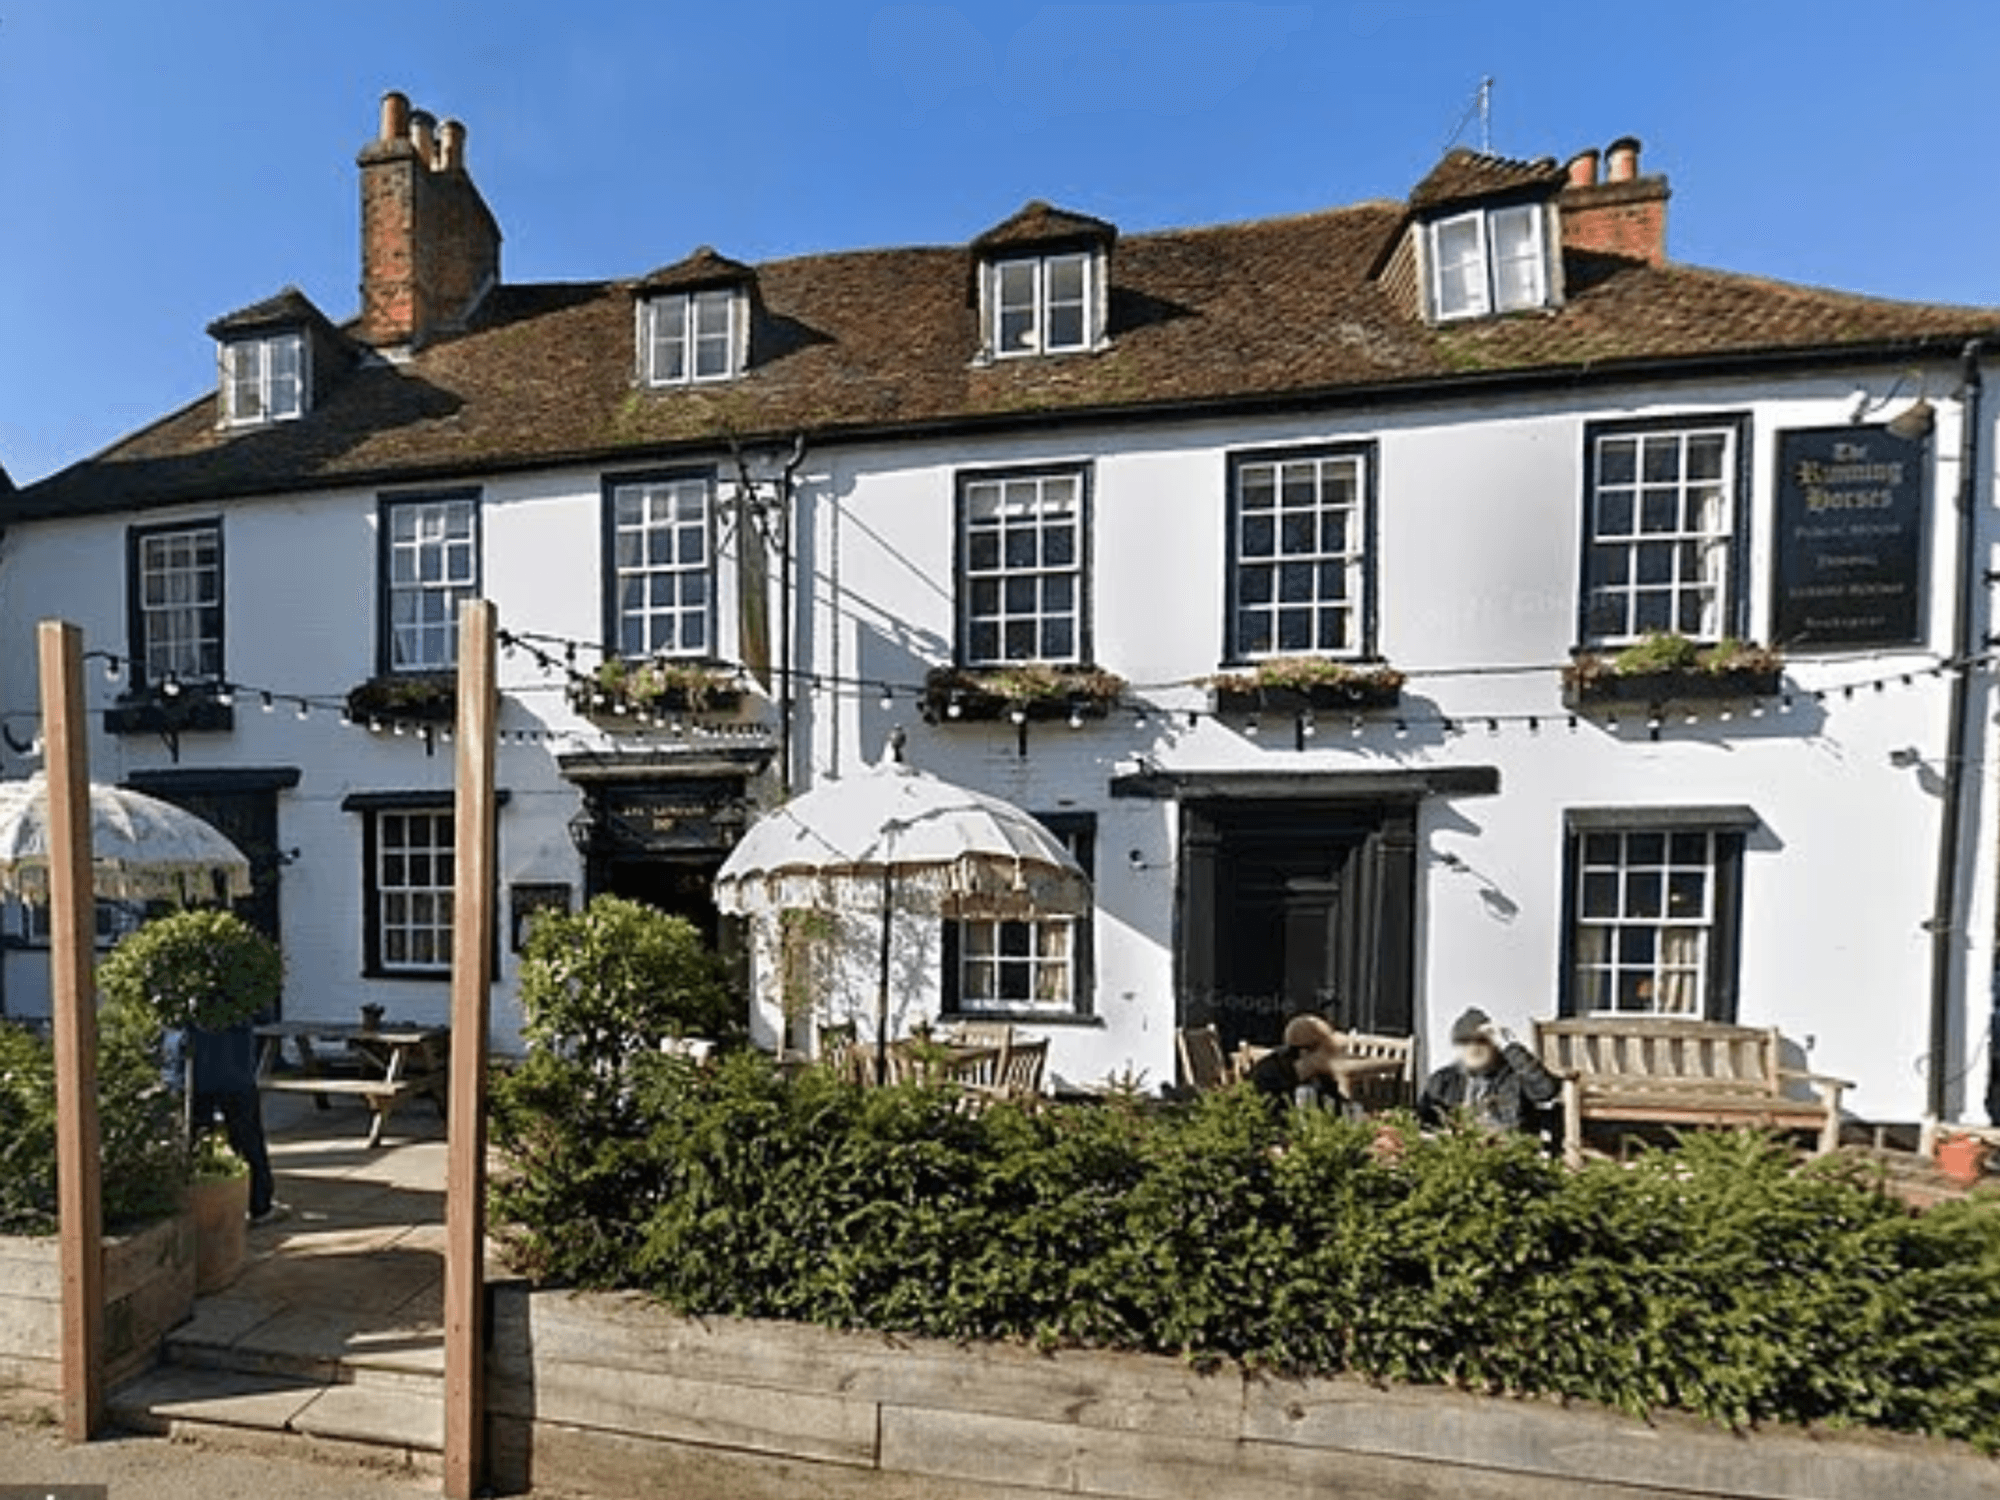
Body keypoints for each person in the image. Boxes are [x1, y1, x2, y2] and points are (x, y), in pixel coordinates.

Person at [190, 1017, 282, 1224]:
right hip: (234, 1067)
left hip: (191, 1065)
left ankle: (191, 1206)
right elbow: (264, 1014)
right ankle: (259, 1205)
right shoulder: (242, 985)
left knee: (191, 1139)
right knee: (247, 1137)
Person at [1418, 1007, 1560, 1137]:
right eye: (1466, 1041)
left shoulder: (1514, 1075)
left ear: (1494, 1045)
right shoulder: (1444, 1080)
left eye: (1481, 1041)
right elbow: (1423, 1122)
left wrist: (1510, 1046)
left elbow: (1546, 1091)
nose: (1474, 1047)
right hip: (1457, 1157)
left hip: (1506, 1155)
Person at [1248, 1014, 1350, 1113]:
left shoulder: (1321, 1077)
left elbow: (1338, 1111)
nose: (1331, 1056)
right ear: (1305, 1052)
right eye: (1327, 1050)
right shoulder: (1268, 1075)